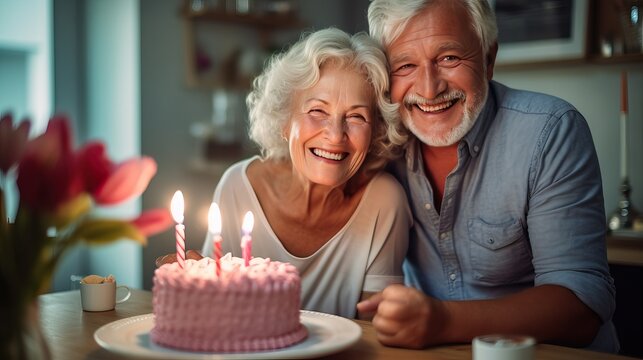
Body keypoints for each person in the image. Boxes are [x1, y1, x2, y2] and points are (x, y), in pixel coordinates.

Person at [357, 0, 618, 353]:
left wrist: (443, 321)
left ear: (488, 58)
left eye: (449, 58)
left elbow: (581, 307)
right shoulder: (380, 143)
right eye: (405, 65)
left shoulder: (551, 131)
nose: (430, 88)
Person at [159, 28, 412, 319]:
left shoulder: (384, 201)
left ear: (376, 131)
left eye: (356, 116)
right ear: (284, 119)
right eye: (317, 111)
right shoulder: (238, 187)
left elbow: (377, 332)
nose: (335, 135)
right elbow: (215, 312)